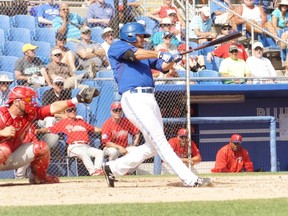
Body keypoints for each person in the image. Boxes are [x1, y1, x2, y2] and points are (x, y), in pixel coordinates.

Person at [102, 22, 212, 187]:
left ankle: (113, 168)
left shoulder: (145, 55)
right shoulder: (118, 46)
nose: (143, 39)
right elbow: (134, 55)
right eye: (141, 36)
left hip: (150, 98)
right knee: (160, 141)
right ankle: (190, 179)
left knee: (153, 146)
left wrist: (173, 59)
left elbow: (163, 67)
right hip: (134, 97)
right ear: (130, 34)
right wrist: (160, 53)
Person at [0, 85, 98, 184]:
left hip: (14, 155)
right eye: (28, 99)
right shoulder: (2, 115)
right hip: (2, 153)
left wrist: (75, 100)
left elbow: (52, 108)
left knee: (41, 147)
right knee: (4, 150)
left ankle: (39, 178)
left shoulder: (29, 114)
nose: (30, 102)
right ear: (16, 102)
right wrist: (2, 132)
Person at [44, 107, 103, 176]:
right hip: (74, 147)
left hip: (86, 146)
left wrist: (105, 129)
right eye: (70, 110)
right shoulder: (63, 122)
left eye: (74, 110)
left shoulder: (81, 121)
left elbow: (94, 129)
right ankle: (93, 172)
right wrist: (37, 130)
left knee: (100, 152)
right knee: (83, 153)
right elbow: (49, 129)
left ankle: (97, 170)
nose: (72, 111)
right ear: (65, 112)